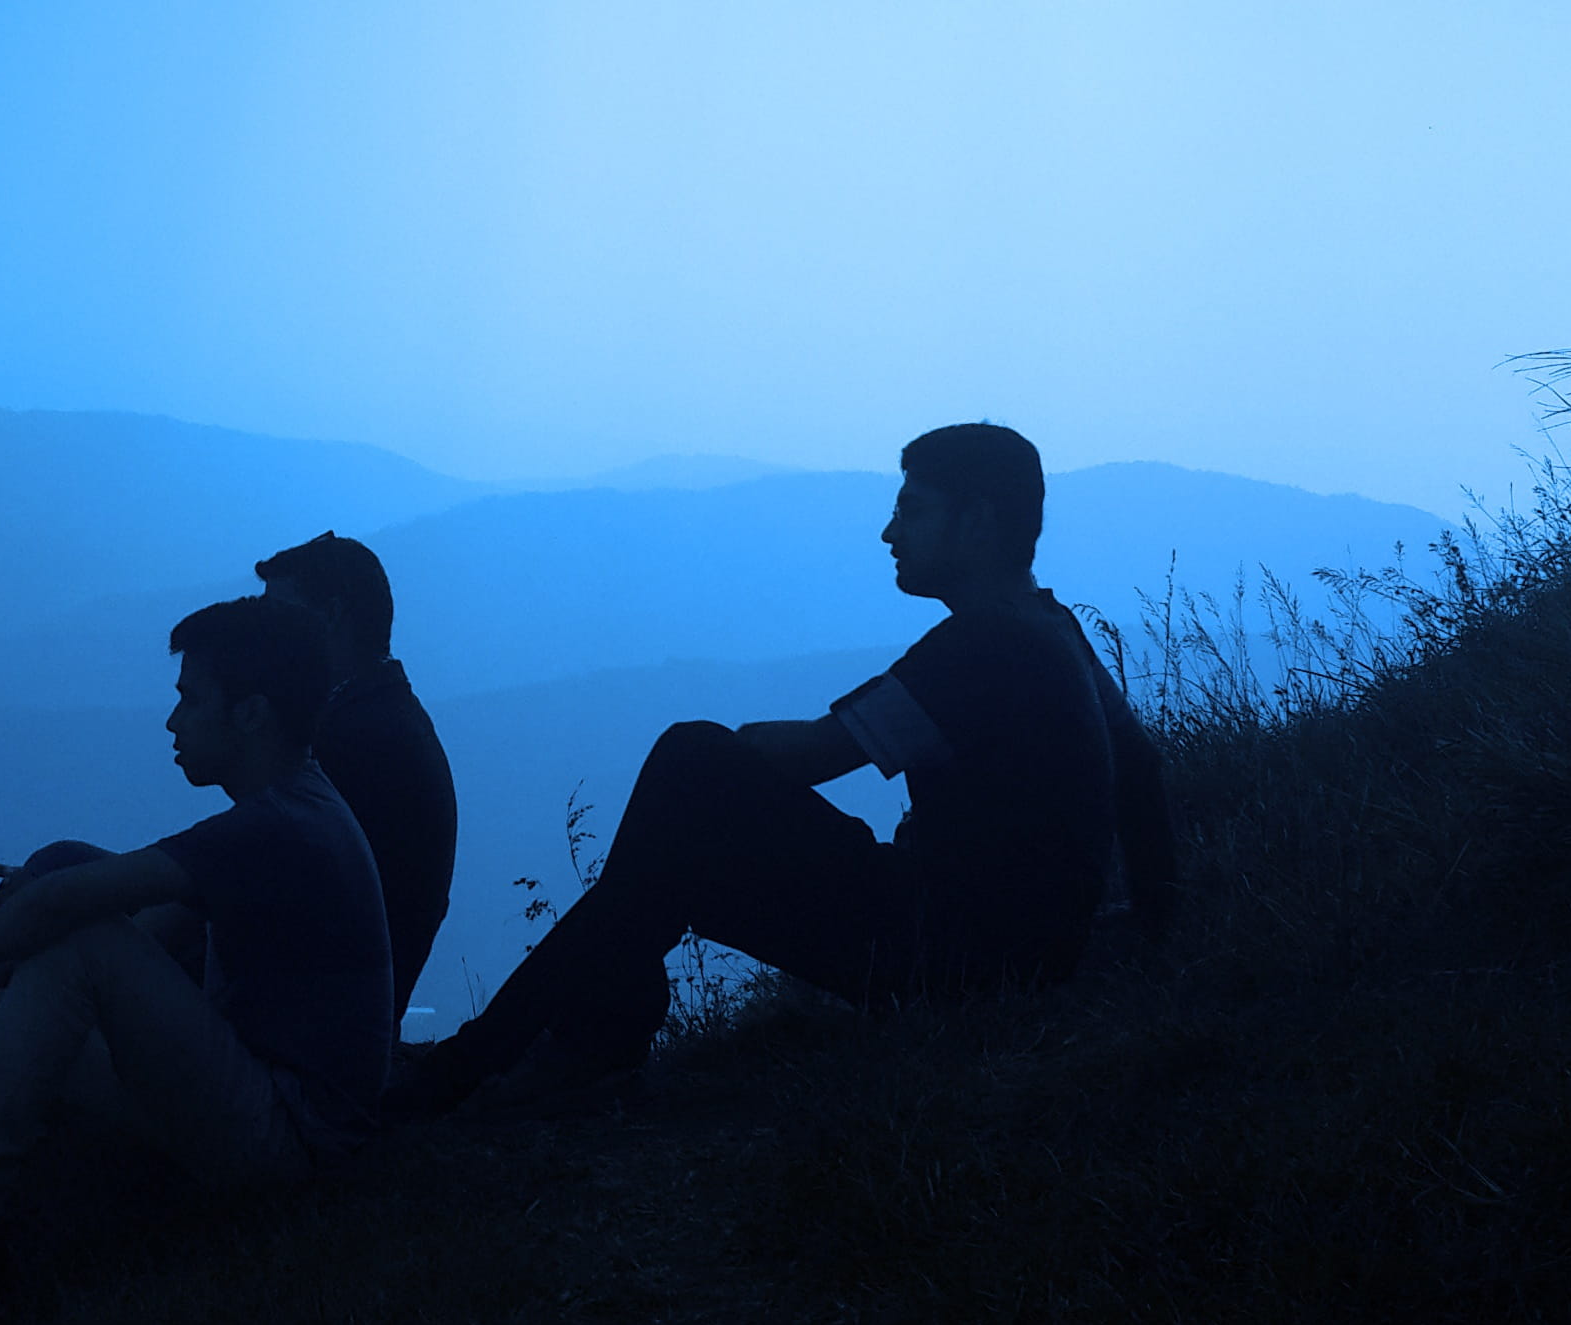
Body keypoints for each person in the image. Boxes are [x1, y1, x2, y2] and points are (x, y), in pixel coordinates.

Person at [387, 423, 1174, 1117]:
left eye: (912, 510)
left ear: (976, 524)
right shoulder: (1053, 627)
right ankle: (545, 1050)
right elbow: (1139, 773)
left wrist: (724, 754)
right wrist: (1153, 925)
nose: (889, 533)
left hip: (950, 961)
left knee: (688, 759)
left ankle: (509, 1058)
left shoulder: (981, 650)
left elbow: (817, 756)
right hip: (1017, 954)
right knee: (670, 850)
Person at [0, 594, 392, 1312]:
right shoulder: (289, 814)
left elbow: (81, 910)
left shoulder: (280, 830)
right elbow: (132, 911)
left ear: (251, 712)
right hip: (255, 1100)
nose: (172, 721)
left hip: (293, 1141)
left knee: (67, 948)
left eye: (191, 700)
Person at [255, 530, 458, 1021]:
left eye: (275, 619)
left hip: (303, 1037)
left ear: (329, 615)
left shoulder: (352, 746)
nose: (259, 638)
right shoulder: (379, 716)